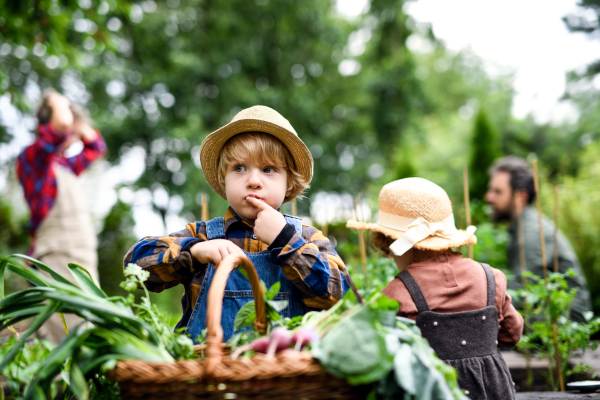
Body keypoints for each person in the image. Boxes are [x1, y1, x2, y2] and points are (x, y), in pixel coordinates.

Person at [124, 105, 349, 342]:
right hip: (209, 373)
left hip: (286, 374)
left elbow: (338, 295)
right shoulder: (202, 235)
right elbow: (134, 266)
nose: (253, 181)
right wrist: (194, 251)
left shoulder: (306, 238)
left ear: (289, 183)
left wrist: (285, 240)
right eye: (239, 168)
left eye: (268, 169)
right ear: (224, 178)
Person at [347, 177, 522, 400]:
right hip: (495, 392)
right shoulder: (491, 278)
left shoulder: (397, 294)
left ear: (394, 244)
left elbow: (382, 357)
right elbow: (512, 335)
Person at [16, 90, 107, 344]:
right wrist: (58, 102)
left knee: (85, 324)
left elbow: (96, 147)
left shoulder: (65, 165)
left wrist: (76, 122)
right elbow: (59, 128)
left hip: (81, 257)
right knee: (64, 331)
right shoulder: (33, 158)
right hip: (55, 257)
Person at [485, 156, 591, 323]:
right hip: (549, 315)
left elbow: (521, 293)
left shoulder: (531, 232)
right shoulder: (521, 226)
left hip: (565, 322)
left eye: (498, 191)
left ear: (521, 196)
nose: (489, 197)